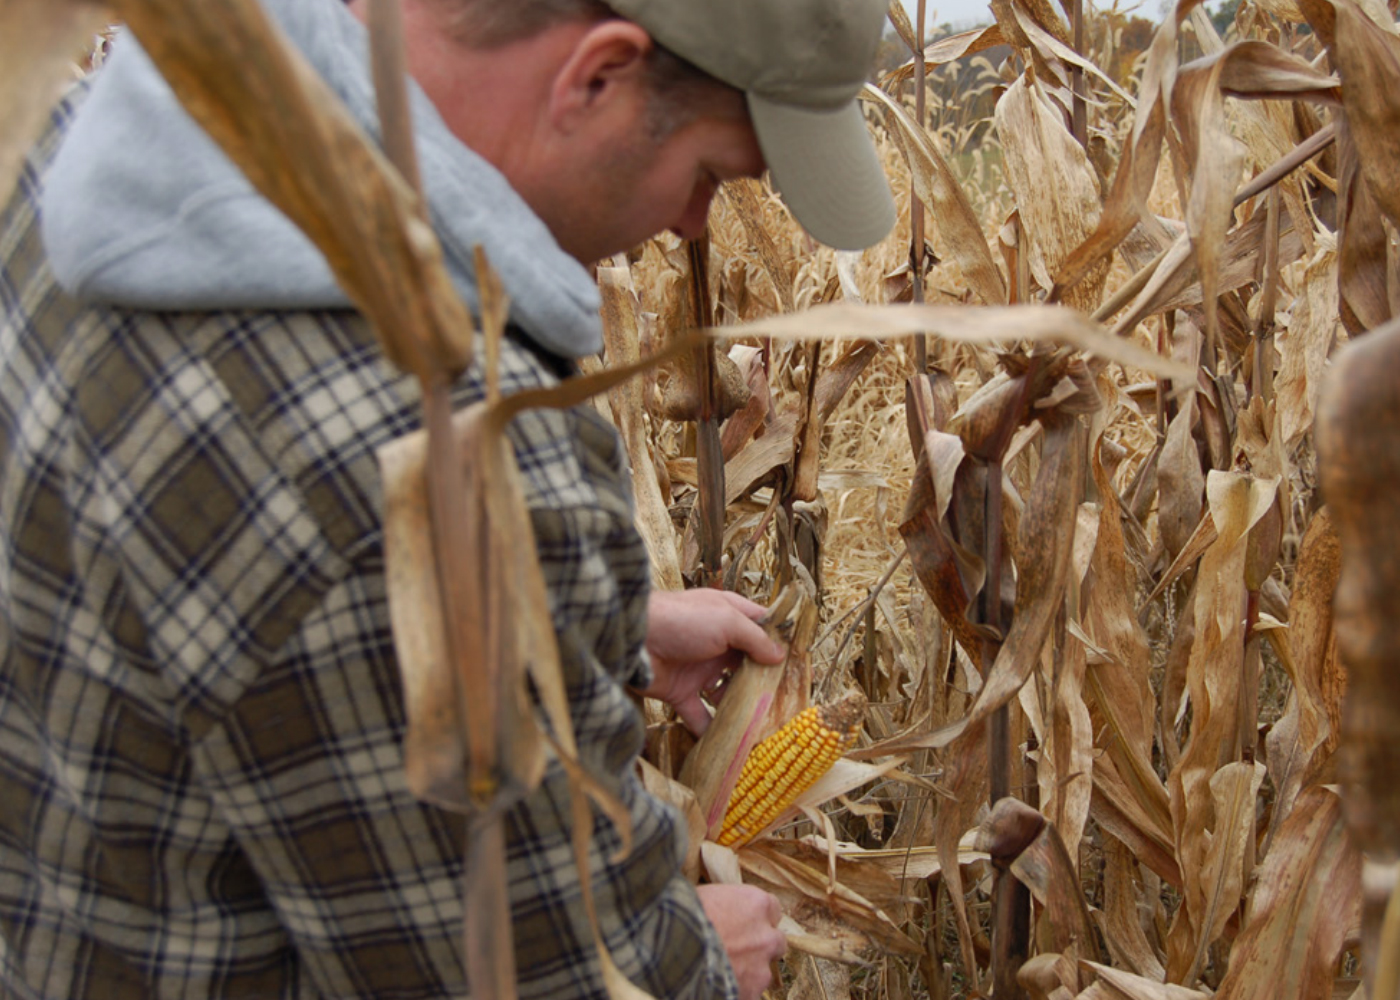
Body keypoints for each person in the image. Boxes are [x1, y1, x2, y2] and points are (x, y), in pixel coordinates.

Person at [0, 0, 895, 997]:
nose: (695, 223)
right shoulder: (438, 464)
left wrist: (584, 629)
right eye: (709, 176)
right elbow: (537, 976)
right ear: (597, 75)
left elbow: (228, 600)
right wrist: (689, 960)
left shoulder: (80, 152)